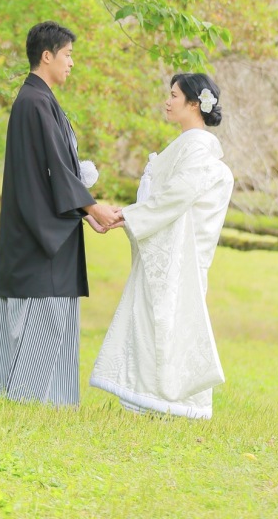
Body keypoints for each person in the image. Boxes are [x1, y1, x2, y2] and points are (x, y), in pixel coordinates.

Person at [0, 21, 121, 407]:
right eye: (68, 54)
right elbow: (57, 169)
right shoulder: (35, 102)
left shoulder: (37, 100)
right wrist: (92, 207)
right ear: (47, 55)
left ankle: (37, 398)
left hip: (40, 223)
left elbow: (56, 170)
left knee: (39, 317)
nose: (72, 63)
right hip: (39, 233)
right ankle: (32, 398)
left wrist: (87, 213)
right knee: (43, 317)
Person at [90, 72, 234, 419]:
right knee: (156, 319)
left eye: (173, 95)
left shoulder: (197, 148)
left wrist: (128, 215)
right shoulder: (186, 144)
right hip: (165, 246)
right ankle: (147, 396)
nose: (167, 101)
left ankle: (169, 399)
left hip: (178, 254)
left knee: (169, 320)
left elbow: (177, 196)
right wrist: (128, 216)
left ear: (195, 105)